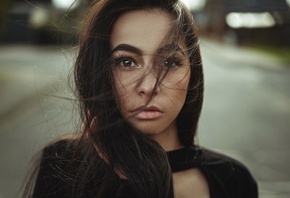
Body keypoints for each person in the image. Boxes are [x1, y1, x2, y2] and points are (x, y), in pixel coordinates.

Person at [23, 0, 258, 197]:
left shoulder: (233, 180)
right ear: (100, 71)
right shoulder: (64, 165)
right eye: (126, 62)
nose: (148, 86)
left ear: (192, 72)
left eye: (169, 62)